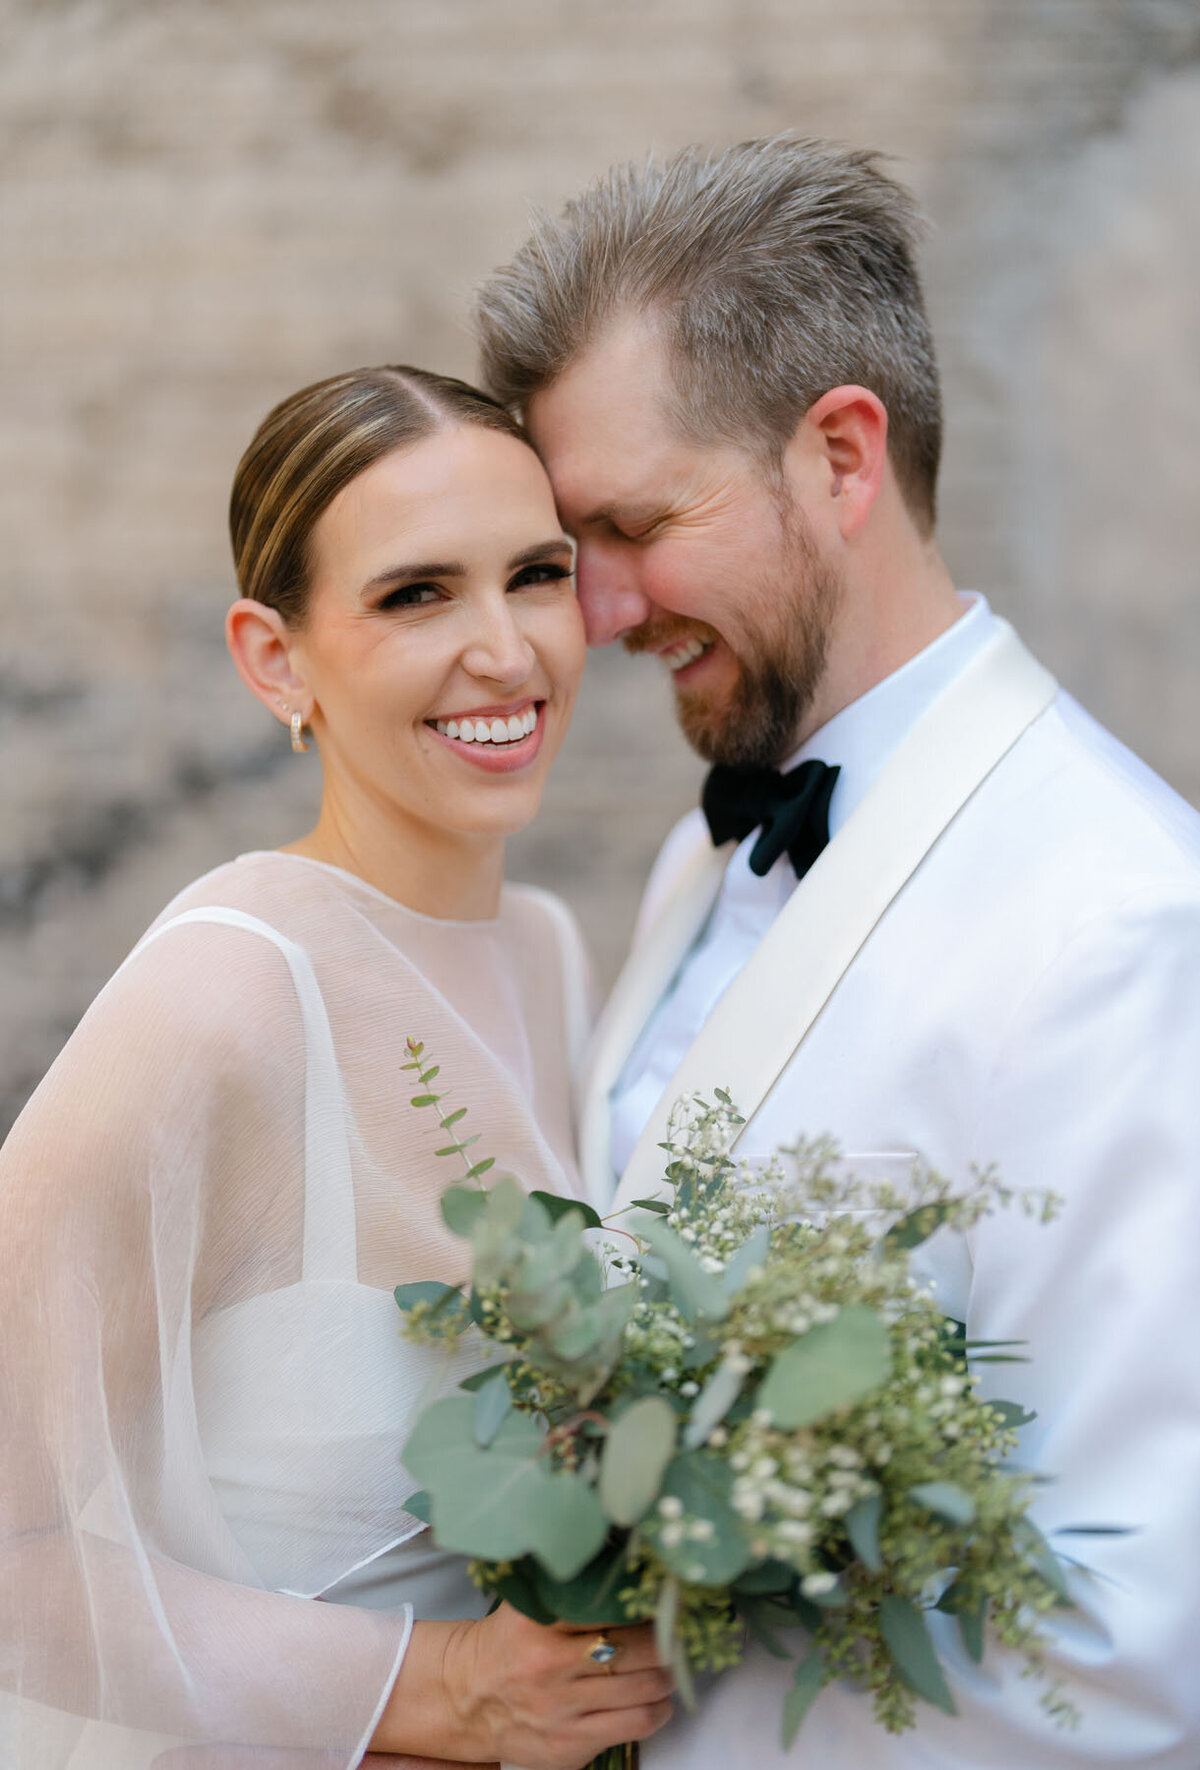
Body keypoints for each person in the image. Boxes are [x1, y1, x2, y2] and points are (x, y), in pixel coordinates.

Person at [475, 137, 1200, 1766]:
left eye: (633, 523)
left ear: (843, 458)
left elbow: (1134, 1656)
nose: (590, 610)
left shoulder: (1124, 926)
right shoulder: (697, 855)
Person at [0, 365, 674, 1770]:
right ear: (274, 658)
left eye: (534, 576)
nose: (504, 651)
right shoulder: (226, 990)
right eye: (416, 594)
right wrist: (452, 1691)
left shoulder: (551, 954)